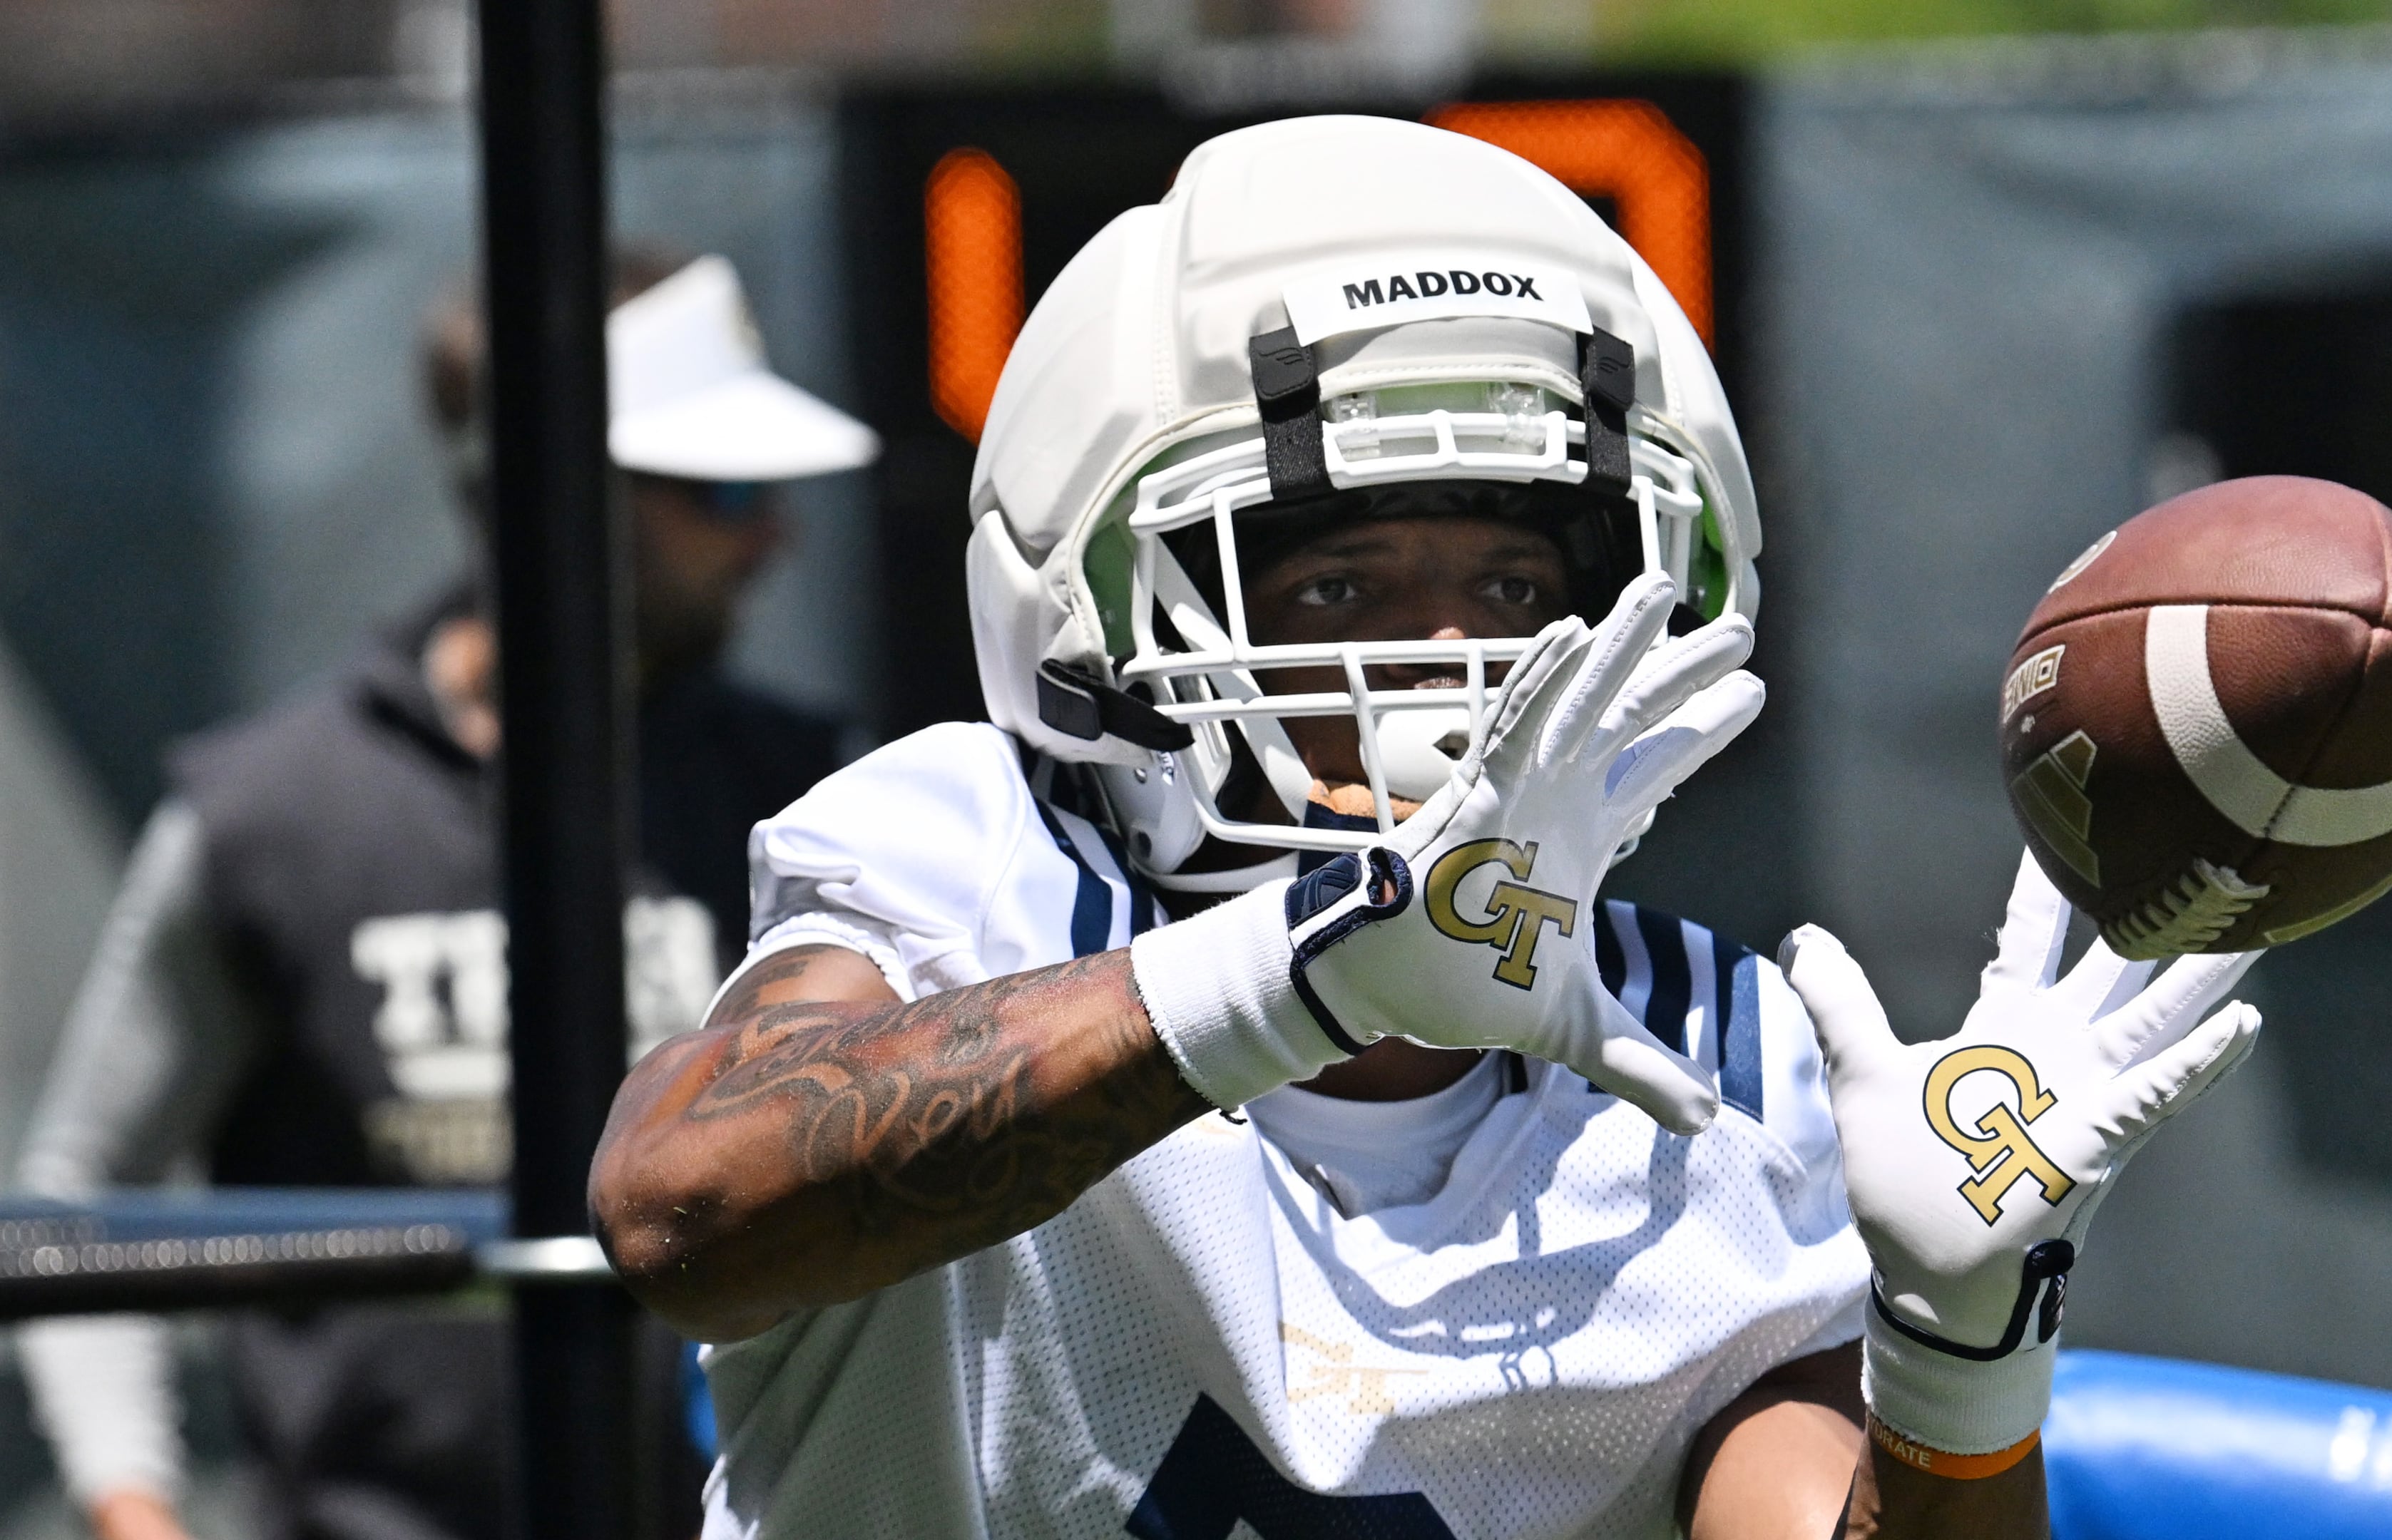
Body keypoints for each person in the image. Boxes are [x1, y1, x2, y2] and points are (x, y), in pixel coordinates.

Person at [591, 116, 2261, 1539]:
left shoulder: (1722, 1072)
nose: (1454, 661)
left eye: (1518, 586)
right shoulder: (977, 862)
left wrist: (1960, 1374)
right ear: (1096, 613)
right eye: (1334, 586)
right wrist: (1298, 977)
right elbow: (684, 1212)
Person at [14, 250, 878, 1540]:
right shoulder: (271, 817)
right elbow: (84, 1186)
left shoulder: (812, 802)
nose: (772, 535)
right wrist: (133, 1508)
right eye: (722, 486)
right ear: (539, 495)